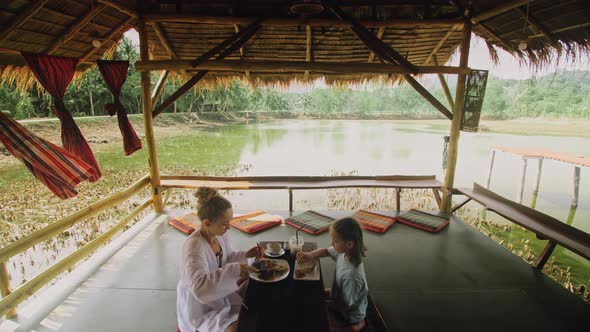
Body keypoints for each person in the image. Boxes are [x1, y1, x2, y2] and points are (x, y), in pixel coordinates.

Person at [177, 187, 261, 332]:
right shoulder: (194, 247)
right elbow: (199, 289)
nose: (229, 227)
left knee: (255, 281)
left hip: (219, 293)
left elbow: (227, 257)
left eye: (229, 221)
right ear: (207, 223)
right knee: (236, 329)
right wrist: (236, 270)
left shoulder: (219, 235)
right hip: (201, 306)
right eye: (224, 223)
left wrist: (247, 254)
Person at [297, 217, 369, 332]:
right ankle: (332, 295)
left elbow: (346, 305)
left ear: (349, 244)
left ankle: (356, 326)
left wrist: (326, 303)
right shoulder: (344, 253)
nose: (332, 243)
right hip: (343, 294)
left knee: (322, 324)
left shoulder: (352, 276)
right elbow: (326, 251)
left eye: (335, 241)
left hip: (350, 314)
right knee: (313, 295)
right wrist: (310, 255)